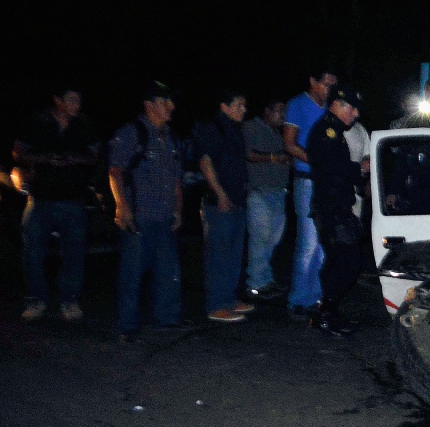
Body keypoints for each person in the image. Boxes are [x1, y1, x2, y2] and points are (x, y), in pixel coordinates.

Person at [13, 86, 100, 322]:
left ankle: (69, 300)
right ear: (57, 101)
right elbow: (18, 153)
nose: (77, 104)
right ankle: (35, 300)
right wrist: (46, 159)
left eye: (79, 100)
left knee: (74, 253)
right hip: (41, 197)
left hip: (74, 197)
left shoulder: (84, 124)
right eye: (72, 99)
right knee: (33, 252)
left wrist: (75, 158)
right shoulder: (37, 122)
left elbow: (95, 155)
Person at [109, 81, 184, 342]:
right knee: (132, 272)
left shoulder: (171, 137)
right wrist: (122, 207)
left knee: (168, 270)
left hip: (164, 215)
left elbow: (176, 176)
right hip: (140, 214)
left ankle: (167, 319)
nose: (171, 107)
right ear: (149, 104)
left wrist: (179, 208)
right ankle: (126, 326)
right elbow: (116, 171)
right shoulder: (132, 133)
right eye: (166, 102)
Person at [306, 84, 365, 338]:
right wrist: (361, 168)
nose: (356, 114)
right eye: (352, 108)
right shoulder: (327, 132)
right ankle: (324, 313)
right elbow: (333, 167)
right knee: (348, 263)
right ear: (338, 105)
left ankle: (326, 312)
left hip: (335, 206)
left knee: (340, 262)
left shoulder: (336, 131)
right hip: (331, 208)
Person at [194, 90, 254, 323]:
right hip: (219, 202)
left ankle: (229, 299)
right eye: (238, 105)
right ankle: (217, 304)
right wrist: (219, 193)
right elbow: (206, 162)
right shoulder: (213, 129)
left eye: (244, 105)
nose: (243, 109)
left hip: (238, 199)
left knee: (234, 253)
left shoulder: (235, 130)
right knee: (219, 254)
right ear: (224, 106)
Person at [283, 68, 337, 318]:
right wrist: (316, 161)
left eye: (332, 85)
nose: (328, 89)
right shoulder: (297, 104)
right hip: (306, 179)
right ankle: (297, 299)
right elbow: (289, 144)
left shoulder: (330, 108)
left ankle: (314, 297)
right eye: (325, 84)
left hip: (325, 181)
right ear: (312, 81)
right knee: (308, 243)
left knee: (323, 243)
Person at [242, 98, 290, 300]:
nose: (283, 116)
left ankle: (265, 279)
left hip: (278, 191)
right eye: (279, 111)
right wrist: (273, 157)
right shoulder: (250, 127)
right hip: (258, 191)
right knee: (260, 238)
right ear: (267, 111)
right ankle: (255, 283)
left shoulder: (278, 133)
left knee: (272, 239)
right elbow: (248, 154)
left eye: (284, 112)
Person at [343, 116, 370, 220]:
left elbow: (368, 155)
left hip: (356, 190)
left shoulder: (360, 128)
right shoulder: (330, 129)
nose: (355, 112)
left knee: (354, 226)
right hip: (335, 190)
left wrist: (369, 182)